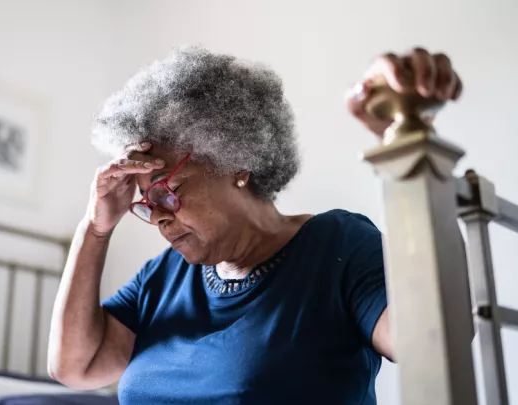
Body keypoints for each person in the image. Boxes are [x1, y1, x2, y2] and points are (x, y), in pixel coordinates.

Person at [47, 46, 463, 405]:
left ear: (236, 162)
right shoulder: (164, 277)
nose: (158, 217)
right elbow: (75, 367)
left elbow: (432, 337)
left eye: (166, 192)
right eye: (146, 202)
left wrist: (405, 140)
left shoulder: (339, 247)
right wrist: (95, 228)